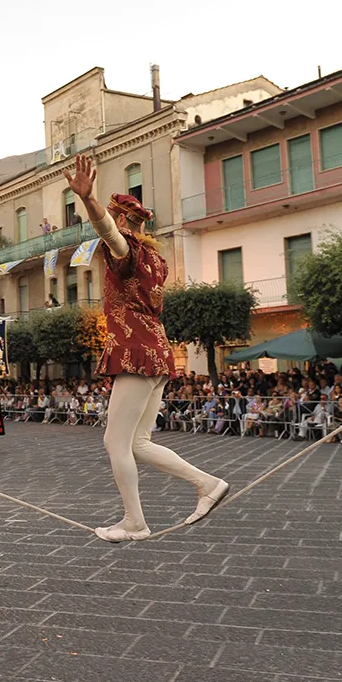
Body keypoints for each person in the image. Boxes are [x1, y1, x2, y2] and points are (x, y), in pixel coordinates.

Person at [63, 154, 228, 542]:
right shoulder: (155, 257)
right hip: (157, 352)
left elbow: (109, 233)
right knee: (138, 443)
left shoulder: (129, 251)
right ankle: (207, 484)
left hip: (135, 350)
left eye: (113, 215)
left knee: (115, 442)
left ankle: (135, 521)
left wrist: (88, 200)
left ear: (122, 219)